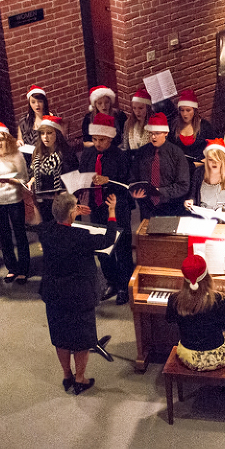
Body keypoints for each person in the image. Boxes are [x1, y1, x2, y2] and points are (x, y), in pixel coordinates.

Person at [39, 192, 120, 395]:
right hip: (78, 295)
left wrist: (72, 212)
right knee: (82, 339)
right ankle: (80, 379)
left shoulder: (45, 231)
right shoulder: (80, 237)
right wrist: (111, 212)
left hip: (54, 293)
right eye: (76, 206)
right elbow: (109, 239)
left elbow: (57, 220)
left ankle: (67, 375)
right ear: (71, 212)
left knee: (61, 336)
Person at [79, 112, 134, 305]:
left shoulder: (120, 156)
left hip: (117, 206)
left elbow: (129, 185)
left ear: (110, 137)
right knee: (103, 248)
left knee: (121, 247)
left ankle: (124, 285)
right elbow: (82, 176)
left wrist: (108, 181)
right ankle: (111, 280)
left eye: (102, 139)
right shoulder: (88, 155)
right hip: (97, 206)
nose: (97, 143)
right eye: (94, 139)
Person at [165, 255, 225, 372]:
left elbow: (169, 319)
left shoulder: (174, 299)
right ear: (207, 276)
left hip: (188, 356)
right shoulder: (218, 299)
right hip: (215, 358)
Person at [0, 120, 31, 284]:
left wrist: (11, 180)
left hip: (14, 198)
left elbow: (24, 179)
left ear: (7, 139)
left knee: (19, 232)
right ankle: (12, 268)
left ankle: (24, 269)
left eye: (2, 139)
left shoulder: (16, 155)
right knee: (4, 234)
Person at [130, 113, 190, 219]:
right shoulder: (141, 152)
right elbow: (133, 178)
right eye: (150, 133)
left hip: (170, 207)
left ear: (166, 132)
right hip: (147, 208)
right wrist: (134, 192)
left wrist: (160, 191)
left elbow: (183, 185)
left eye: (157, 133)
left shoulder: (176, 153)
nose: (153, 137)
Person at [27, 116, 78, 223]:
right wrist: (32, 180)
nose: (45, 137)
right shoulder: (37, 153)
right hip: (44, 202)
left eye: (49, 133)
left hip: (63, 203)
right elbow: (32, 173)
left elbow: (74, 180)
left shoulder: (67, 154)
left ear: (57, 134)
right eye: (42, 133)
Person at [184, 139, 225, 212]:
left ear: (223, 160)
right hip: (202, 218)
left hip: (224, 220)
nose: (214, 163)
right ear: (206, 160)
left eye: (217, 160)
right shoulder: (199, 172)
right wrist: (190, 202)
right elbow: (193, 196)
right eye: (211, 160)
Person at [169, 89, 215, 167]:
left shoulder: (204, 126)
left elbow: (214, 148)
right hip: (181, 167)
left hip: (201, 166)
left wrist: (204, 162)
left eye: (188, 110)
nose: (184, 114)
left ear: (194, 110)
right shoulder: (174, 126)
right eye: (182, 110)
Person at [121, 88, 153, 160]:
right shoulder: (128, 123)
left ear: (147, 108)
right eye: (134, 108)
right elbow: (125, 146)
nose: (137, 112)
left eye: (140, 108)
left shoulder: (155, 124)